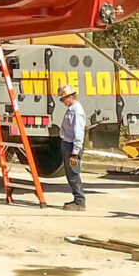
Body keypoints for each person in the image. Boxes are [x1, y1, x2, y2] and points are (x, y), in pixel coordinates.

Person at [57, 83, 86, 211]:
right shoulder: (71, 110)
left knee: (73, 173)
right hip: (67, 144)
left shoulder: (77, 111)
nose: (62, 101)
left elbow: (79, 133)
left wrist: (75, 153)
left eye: (63, 98)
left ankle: (79, 201)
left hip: (72, 146)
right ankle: (77, 199)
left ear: (70, 96)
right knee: (70, 173)